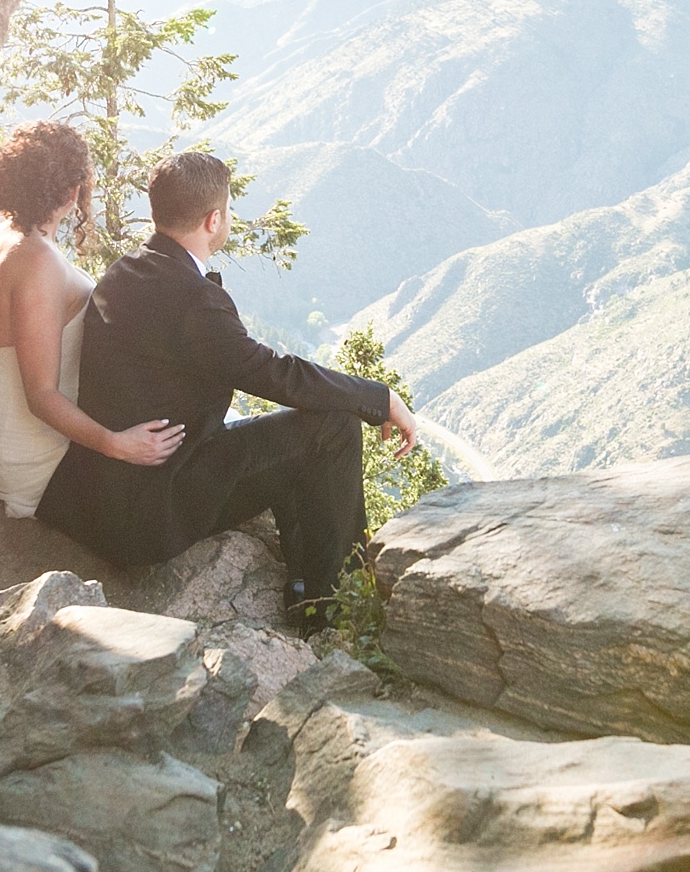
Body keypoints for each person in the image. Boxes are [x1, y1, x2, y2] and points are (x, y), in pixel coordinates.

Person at [37, 150, 418, 627]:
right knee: (335, 428)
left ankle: (307, 589)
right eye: (230, 210)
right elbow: (276, 374)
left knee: (293, 438)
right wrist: (379, 399)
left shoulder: (128, 268)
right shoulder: (194, 300)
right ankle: (334, 606)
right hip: (148, 513)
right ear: (214, 219)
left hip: (102, 497)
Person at [0, 122, 183, 518]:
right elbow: (40, 395)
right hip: (24, 455)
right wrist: (117, 444)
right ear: (74, 190)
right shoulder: (40, 263)